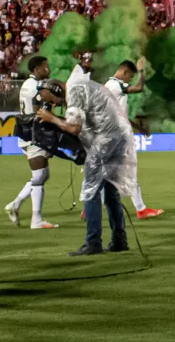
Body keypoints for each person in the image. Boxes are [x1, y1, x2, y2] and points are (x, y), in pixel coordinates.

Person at [35, 78, 131, 256]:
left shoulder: (74, 92)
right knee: (110, 193)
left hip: (105, 144)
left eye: (51, 99)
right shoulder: (81, 88)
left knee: (91, 192)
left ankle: (93, 242)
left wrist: (51, 118)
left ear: (56, 90)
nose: (53, 104)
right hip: (117, 141)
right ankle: (119, 240)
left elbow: (74, 128)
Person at [105, 58, 163, 219]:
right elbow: (138, 87)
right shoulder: (115, 85)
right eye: (130, 76)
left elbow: (119, 114)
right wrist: (141, 71)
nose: (131, 80)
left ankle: (89, 205)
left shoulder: (110, 86)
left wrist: (139, 128)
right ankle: (141, 209)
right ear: (125, 73)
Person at [6, 56, 58, 229]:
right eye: (45, 67)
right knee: (39, 175)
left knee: (43, 175)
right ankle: (36, 219)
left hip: (29, 133)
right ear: (36, 69)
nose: (48, 70)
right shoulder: (36, 87)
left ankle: (15, 205)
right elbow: (39, 113)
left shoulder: (27, 84)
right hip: (34, 134)